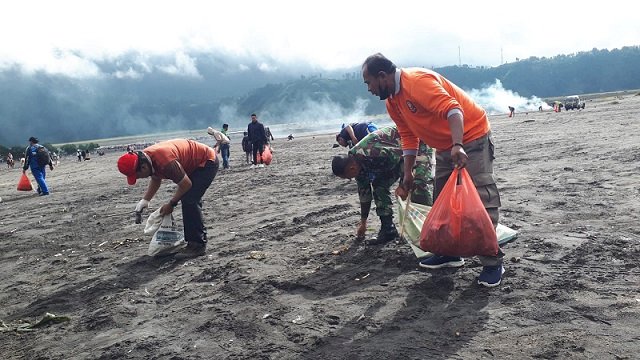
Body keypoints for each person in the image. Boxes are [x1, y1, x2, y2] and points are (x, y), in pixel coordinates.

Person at [362, 53, 504, 287]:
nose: (369, 89)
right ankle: (451, 253)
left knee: (481, 199)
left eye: (369, 82)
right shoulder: (392, 102)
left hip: (471, 136)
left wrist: (458, 145)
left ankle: (492, 263)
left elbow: (453, 110)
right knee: (444, 204)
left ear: (382, 76)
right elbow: (408, 136)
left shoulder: (417, 82)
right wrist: (408, 174)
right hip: (446, 146)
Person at [332, 126, 434, 245]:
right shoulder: (356, 165)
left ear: (352, 168)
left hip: (415, 145)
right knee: (379, 186)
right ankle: (388, 229)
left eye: (347, 176)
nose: (349, 179)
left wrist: (403, 185)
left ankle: (432, 227)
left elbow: (403, 159)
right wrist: (363, 222)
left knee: (417, 184)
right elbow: (365, 194)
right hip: (394, 159)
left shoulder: (372, 152)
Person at [117, 139, 219, 257]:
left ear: (144, 167)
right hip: (193, 164)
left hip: (206, 162)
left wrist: (171, 204)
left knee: (189, 200)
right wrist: (145, 200)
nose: (139, 178)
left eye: (137, 175)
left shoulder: (165, 162)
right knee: (190, 198)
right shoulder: (146, 157)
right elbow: (155, 178)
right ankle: (194, 240)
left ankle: (197, 245)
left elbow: (186, 184)